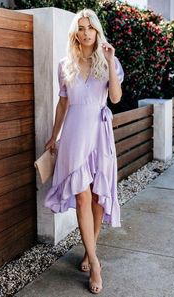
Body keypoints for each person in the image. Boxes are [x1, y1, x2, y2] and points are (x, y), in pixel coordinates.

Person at [44, 8, 124, 294]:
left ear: (97, 30)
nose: (86, 32)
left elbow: (115, 97)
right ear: (75, 33)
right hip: (75, 135)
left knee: (99, 198)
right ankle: (96, 263)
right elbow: (63, 104)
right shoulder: (65, 64)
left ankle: (90, 251)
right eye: (81, 28)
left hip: (100, 134)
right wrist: (54, 136)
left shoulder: (108, 62)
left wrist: (111, 60)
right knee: (82, 196)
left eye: (90, 27)